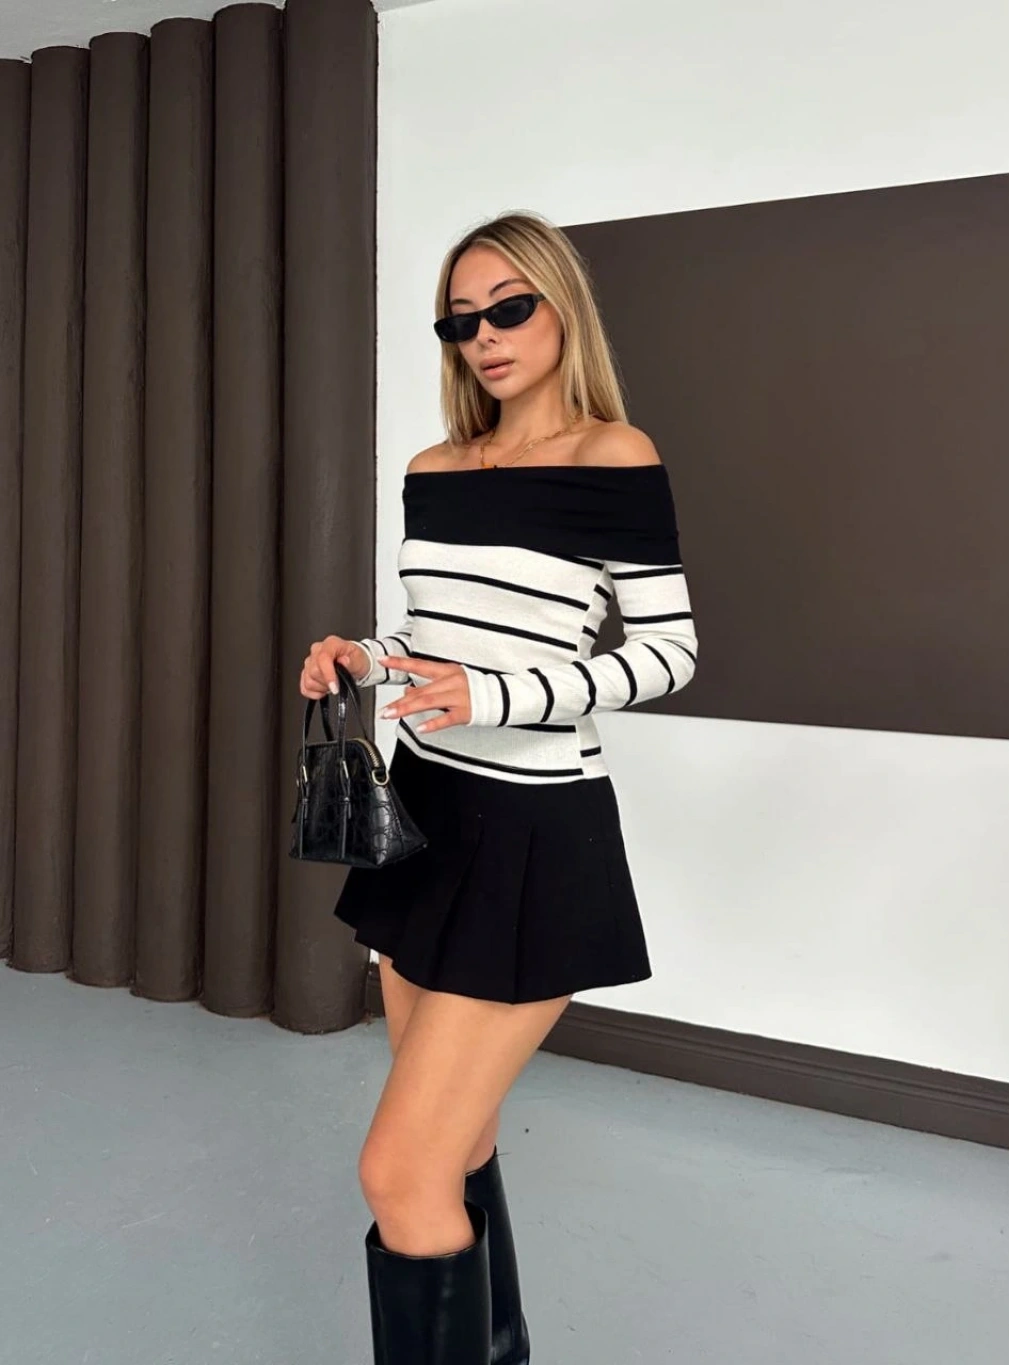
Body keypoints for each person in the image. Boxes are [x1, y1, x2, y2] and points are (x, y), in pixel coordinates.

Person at [298, 210, 698, 1365]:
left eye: (509, 307)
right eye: (460, 319)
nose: (484, 336)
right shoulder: (435, 469)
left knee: (398, 1171)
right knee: (456, 1146)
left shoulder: (612, 457)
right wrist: (365, 657)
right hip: (425, 817)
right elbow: (432, 637)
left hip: (535, 832)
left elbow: (667, 655)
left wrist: (494, 695)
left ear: (562, 307)